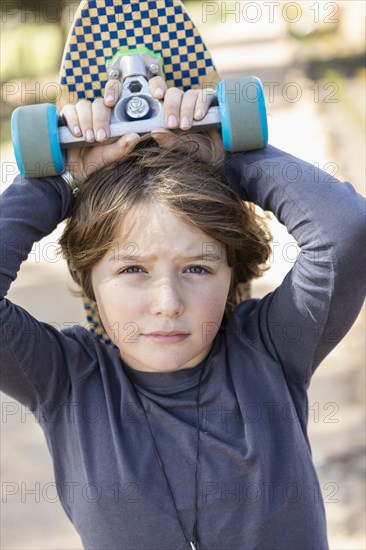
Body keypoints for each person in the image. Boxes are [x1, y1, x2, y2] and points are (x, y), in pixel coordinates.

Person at [0, 74, 365, 550]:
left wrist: (231, 157)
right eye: (132, 269)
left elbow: (346, 232)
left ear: (232, 272)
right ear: (89, 276)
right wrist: (61, 180)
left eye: (196, 267)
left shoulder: (271, 349)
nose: (168, 303)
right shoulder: (66, 380)